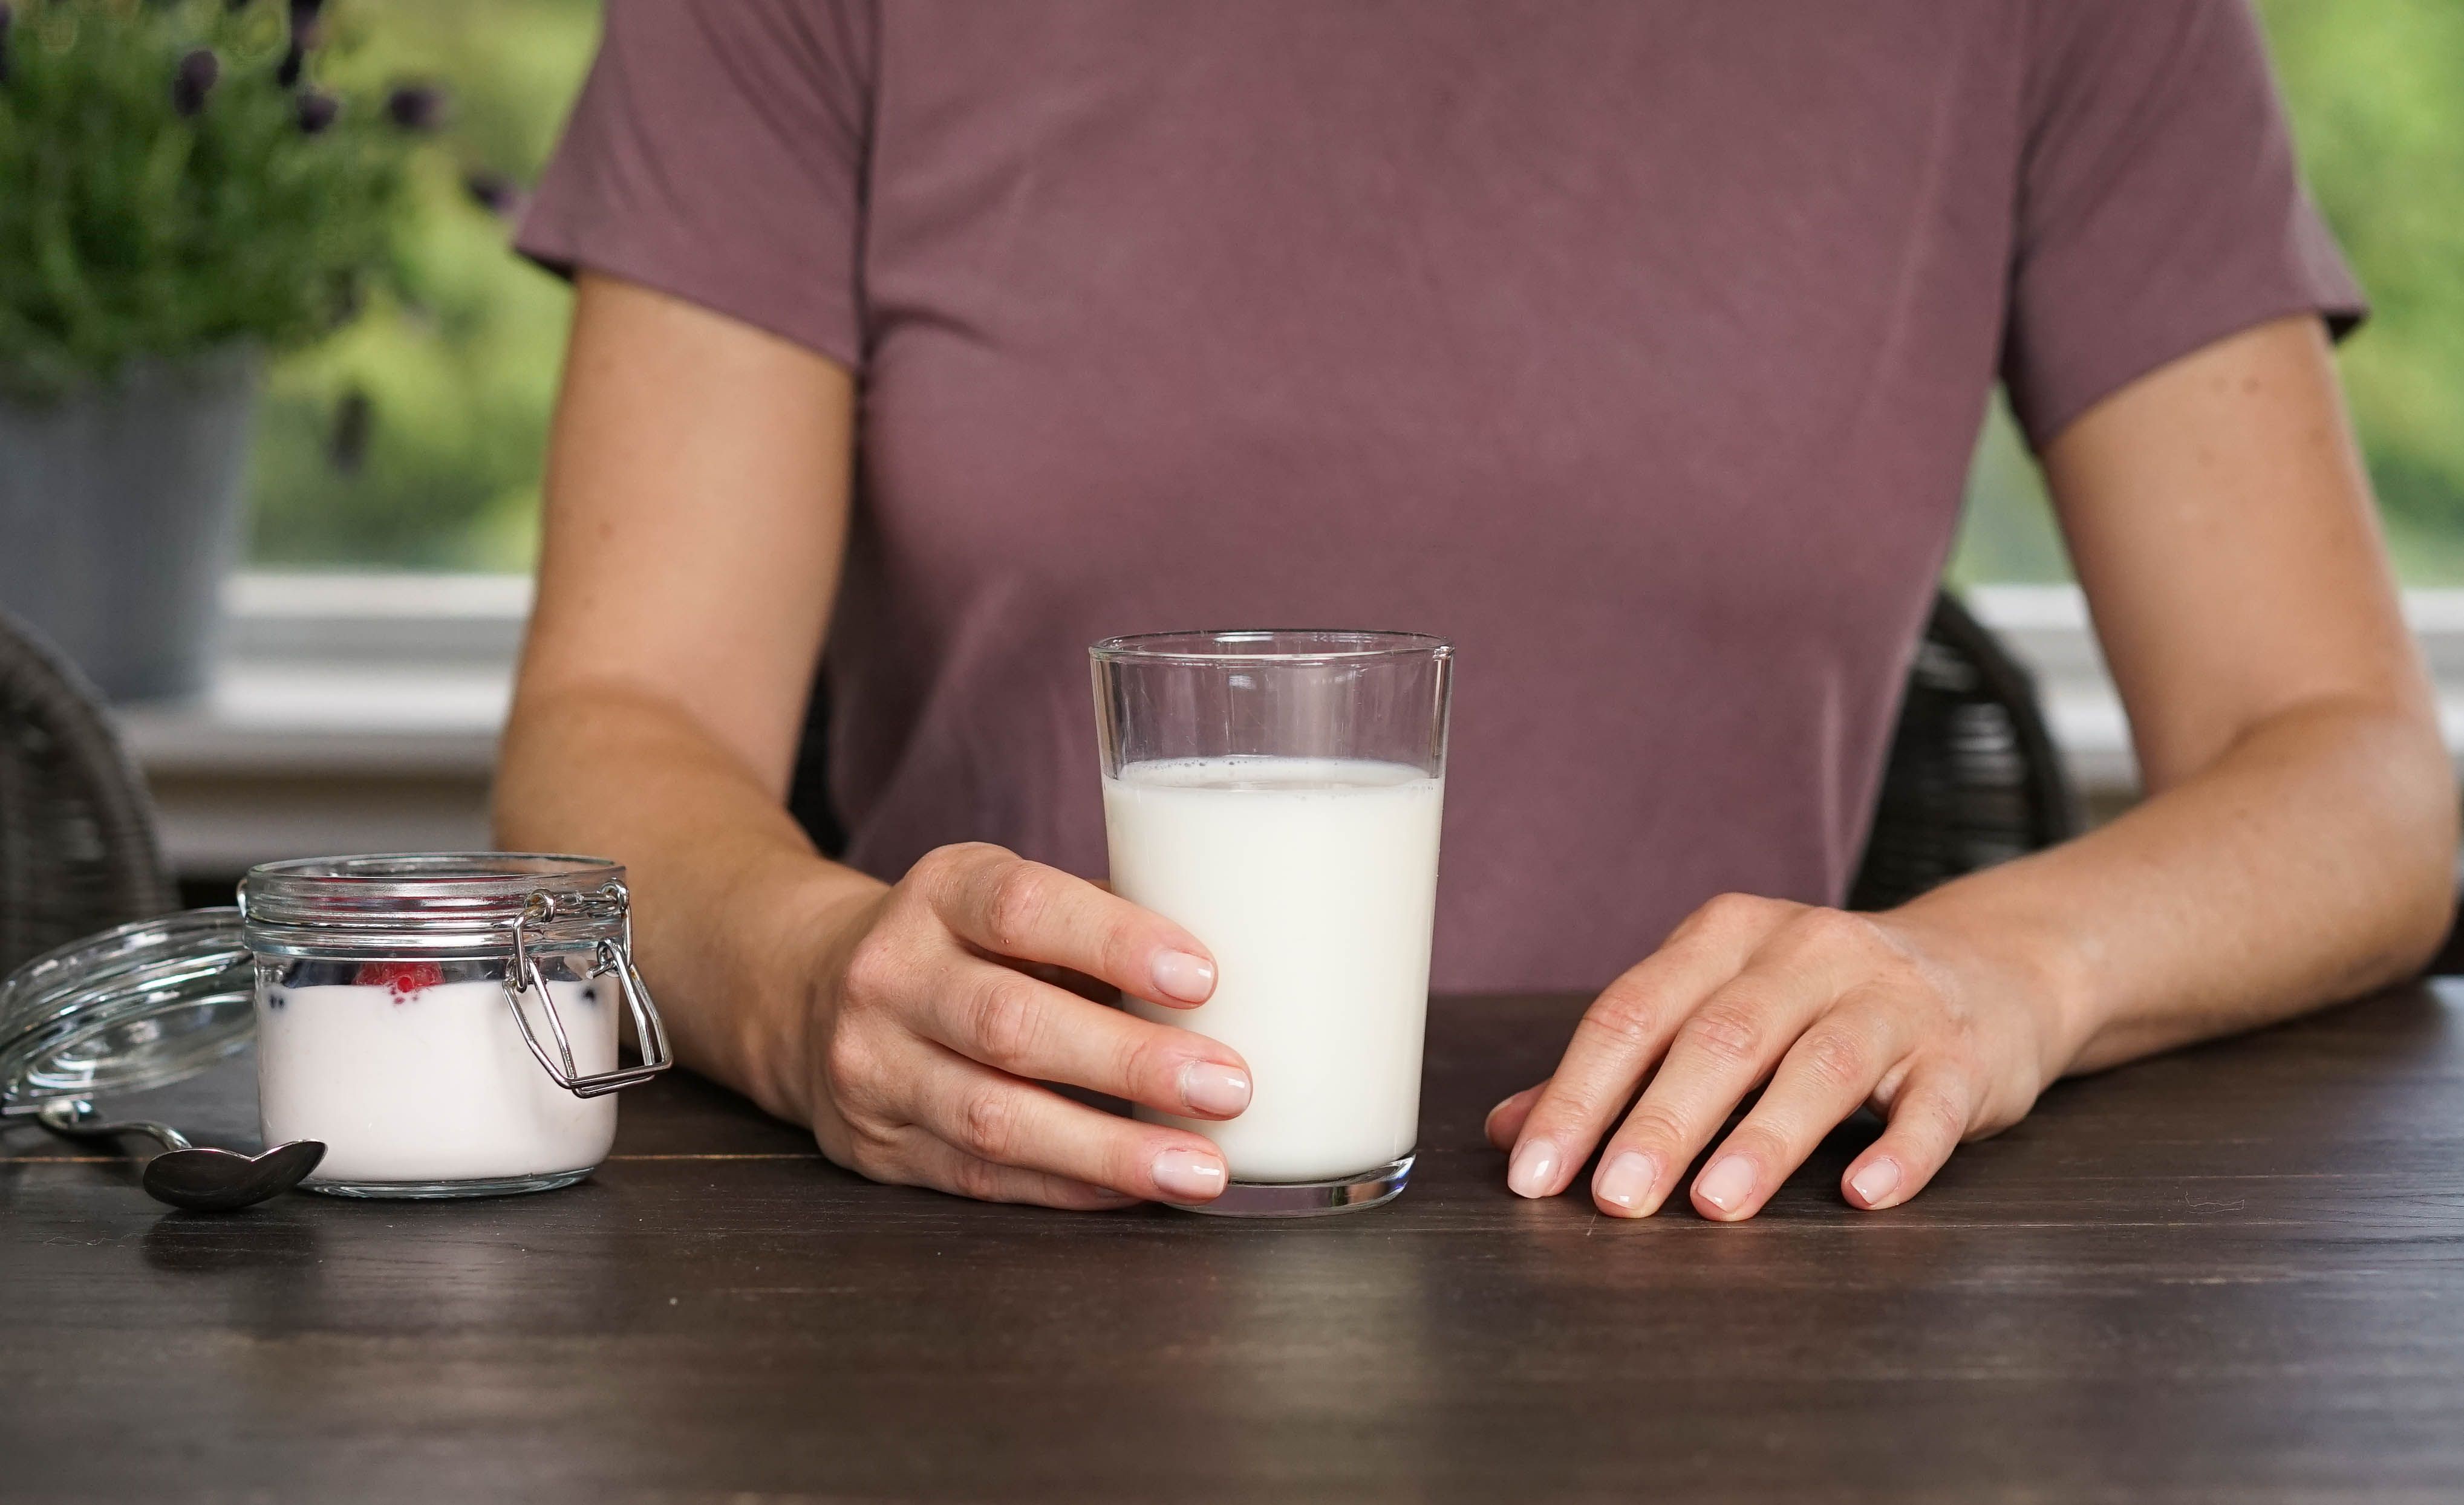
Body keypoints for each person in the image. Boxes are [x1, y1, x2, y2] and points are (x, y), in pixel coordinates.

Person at [499, 1, 2456, 1220]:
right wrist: (813, 974)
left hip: (1712, 1282)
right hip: (974, 1254)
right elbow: (617, 719)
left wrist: (1995, 971)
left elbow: (2356, 773)